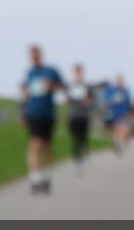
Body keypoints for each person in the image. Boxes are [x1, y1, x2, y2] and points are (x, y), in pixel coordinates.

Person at [20, 45, 64, 194]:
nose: (34, 58)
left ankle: (46, 175)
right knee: (35, 144)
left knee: (46, 146)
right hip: (33, 113)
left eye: (36, 55)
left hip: (48, 114)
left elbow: (63, 86)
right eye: (32, 55)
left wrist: (52, 85)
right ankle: (34, 177)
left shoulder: (51, 71)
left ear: (41, 55)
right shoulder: (29, 73)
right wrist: (23, 113)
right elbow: (25, 94)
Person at [65, 63, 93, 174]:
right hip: (73, 116)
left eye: (79, 72)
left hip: (84, 116)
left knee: (83, 138)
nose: (78, 74)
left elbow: (90, 101)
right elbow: (66, 101)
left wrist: (87, 101)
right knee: (74, 139)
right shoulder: (70, 86)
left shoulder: (87, 87)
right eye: (76, 72)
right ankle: (77, 161)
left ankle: (83, 154)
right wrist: (68, 100)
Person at [104, 75, 132, 156]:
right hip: (113, 113)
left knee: (123, 129)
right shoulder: (111, 90)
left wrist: (130, 112)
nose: (120, 83)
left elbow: (129, 102)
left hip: (123, 113)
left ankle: (120, 143)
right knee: (116, 130)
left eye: (121, 81)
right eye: (118, 81)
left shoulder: (125, 91)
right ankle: (116, 144)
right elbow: (107, 100)